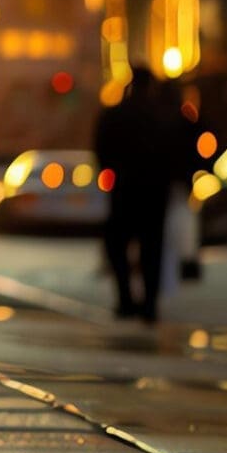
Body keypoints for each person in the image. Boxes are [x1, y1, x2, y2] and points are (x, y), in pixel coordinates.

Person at [93, 68, 173, 322]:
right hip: (154, 192)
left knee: (119, 245)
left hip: (125, 189)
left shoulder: (117, 114)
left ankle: (126, 298)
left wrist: (111, 171)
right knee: (152, 248)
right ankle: (148, 304)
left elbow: (101, 148)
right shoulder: (161, 117)